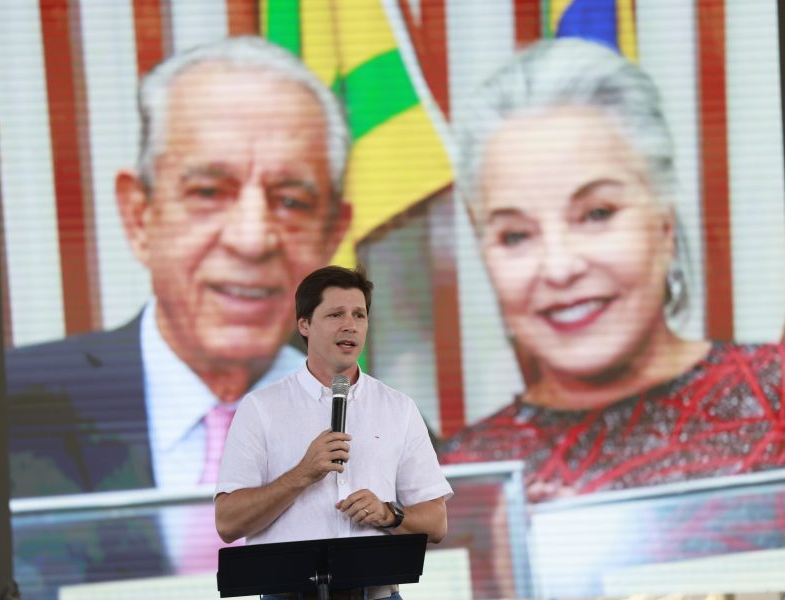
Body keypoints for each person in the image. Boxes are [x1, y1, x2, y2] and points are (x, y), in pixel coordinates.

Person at [5, 36, 351, 590]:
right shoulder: (15, 406)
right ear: (140, 217)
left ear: (332, 235)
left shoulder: (383, 426)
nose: (252, 238)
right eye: (209, 190)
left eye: (291, 201)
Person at [440, 38, 785, 499]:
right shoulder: (457, 483)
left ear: (663, 223)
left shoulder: (774, 393)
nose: (559, 268)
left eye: (597, 213)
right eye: (516, 235)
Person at [214, 265, 453, 599]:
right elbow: (227, 523)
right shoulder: (261, 408)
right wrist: (303, 473)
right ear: (305, 325)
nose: (350, 325)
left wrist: (388, 514)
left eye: (359, 315)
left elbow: (436, 523)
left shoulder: (398, 407)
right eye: (336, 314)